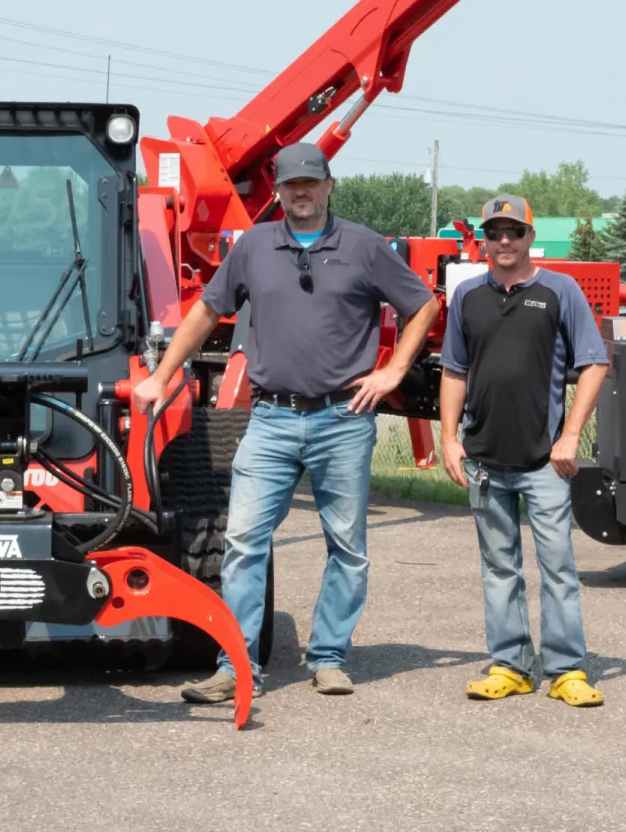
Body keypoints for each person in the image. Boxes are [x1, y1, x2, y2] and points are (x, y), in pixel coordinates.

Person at [133, 142, 439, 701]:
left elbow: (424, 305)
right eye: (290, 185)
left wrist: (394, 371)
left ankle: (328, 657)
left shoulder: (364, 247)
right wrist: (161, 376)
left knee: (346, 545)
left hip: (343, 419)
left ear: (328, 185)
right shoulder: (254, 247)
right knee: (245, 541)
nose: (301, 193)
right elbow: (205, 311)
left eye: (311, 183)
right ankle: (234, 664)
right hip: (270, 419)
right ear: (277, 191)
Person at [438, 194, 610, 707]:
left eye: (514, 231)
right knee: (499, 568)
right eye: (495, 232)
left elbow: (595, 363)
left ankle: (566, 670)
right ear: (484, 241)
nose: (505, 241)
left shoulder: (561, 290)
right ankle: (510, 665)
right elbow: (453, 371)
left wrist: (572, 433)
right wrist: (449, 439)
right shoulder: (468, 297)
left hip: (544, 461)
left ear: (531, 237)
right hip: (485, 459)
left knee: (557, 565)